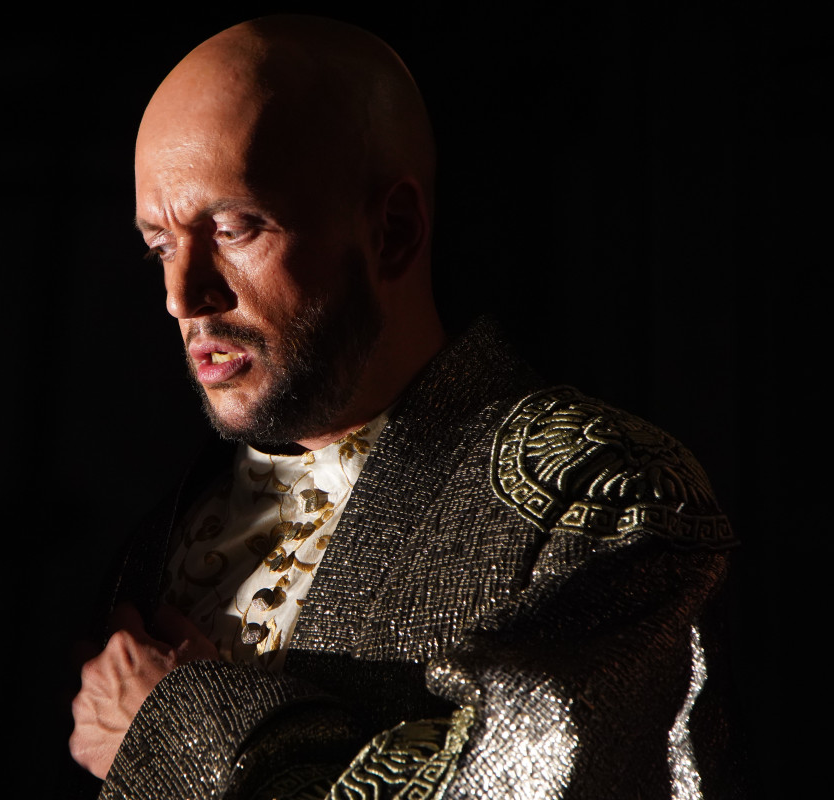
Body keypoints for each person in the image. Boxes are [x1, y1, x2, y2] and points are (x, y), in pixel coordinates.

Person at [70, 14, 742, 799]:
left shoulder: (597, 491)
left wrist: (182, 733)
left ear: (392, 231)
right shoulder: (169, 534)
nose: (182, 296)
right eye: (160, 244)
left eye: (234, 228)